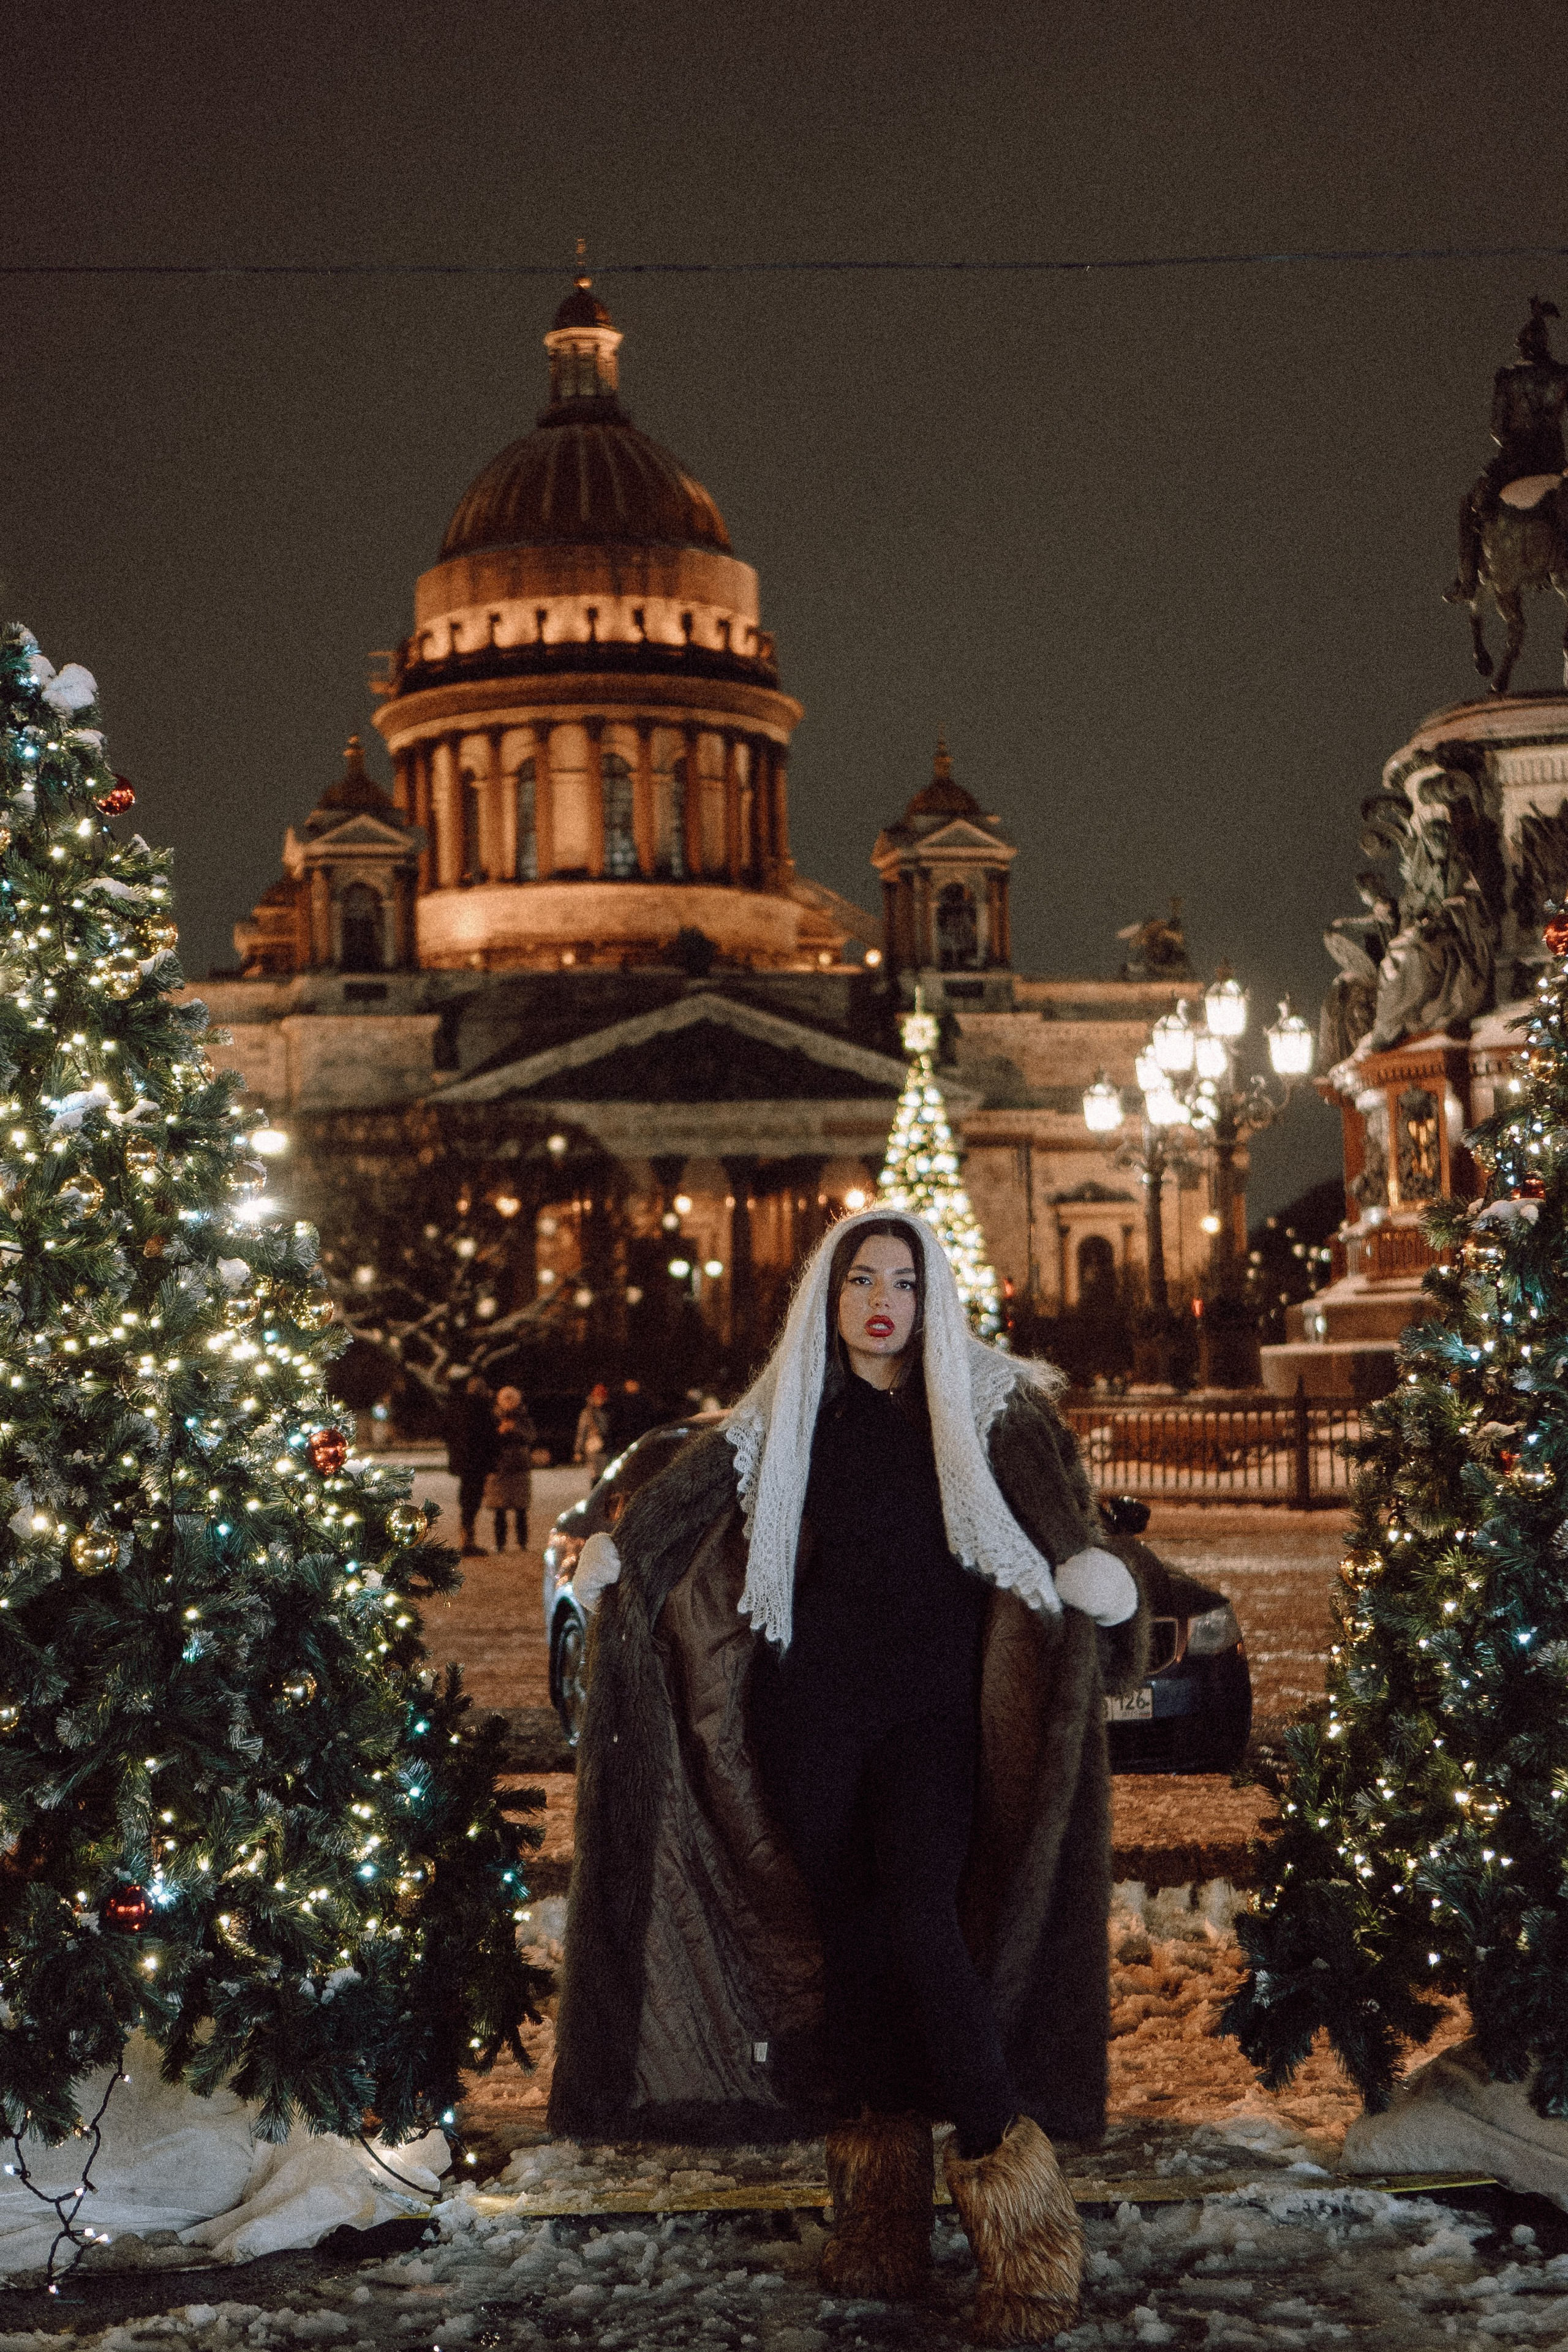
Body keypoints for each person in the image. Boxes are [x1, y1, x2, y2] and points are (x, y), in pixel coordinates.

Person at [551, 1208, 1150, 2344]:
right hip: (807, 1712)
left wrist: (1104, 1583)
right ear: (826, 1297)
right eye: (860, 1279)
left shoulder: (991, 1408)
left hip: (934, 1721)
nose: (882, 1300)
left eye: (905, 1281)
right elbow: (682, 1506)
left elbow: (1068, 1529)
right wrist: (615, 1556)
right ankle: (879, 2216)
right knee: (853, 1946)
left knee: (924, 1923)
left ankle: (1022, 2218)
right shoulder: (789, 1409)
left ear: (935, 1300)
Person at [1448, 296, 1568, 603]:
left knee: (1470, 507)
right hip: (1555, 462)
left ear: (1523, 347)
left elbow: (1497, 429)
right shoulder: (1562, 376)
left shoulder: (1508, 377)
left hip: (1515, 463)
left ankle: (1466, 582)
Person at [443, 1371, 497, 1557]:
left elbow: (450, 1434)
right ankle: (468, 1541)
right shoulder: (481, 1408)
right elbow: (488, 1437)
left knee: (467, 1500)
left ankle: (466, 1539)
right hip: (476, 1463)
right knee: (472, 1501)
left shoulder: (459, 1408)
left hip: (465, 1463)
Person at [483, 1385, 537, 1554]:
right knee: (499, 1510)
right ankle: (500, 1543)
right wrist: (500, 1432)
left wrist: (516, 1430)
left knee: (521, 1509)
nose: (509, 1402)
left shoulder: (524, 1417)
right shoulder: (493, 1417)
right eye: (505, 1399)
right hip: (499, 1468)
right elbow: (487, 1439)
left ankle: (522, 1542)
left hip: (520, 1468)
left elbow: (532, 1436)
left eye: (511, 1399)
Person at [573, 1381, 610, 1477]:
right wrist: (578, 1451)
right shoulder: (587, 1413)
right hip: (592, 1452)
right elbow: (582, 1433)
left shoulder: (606, 1412)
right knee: (593, 1476)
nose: (600, 1401)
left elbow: (609, 1431)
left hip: (605, 1451)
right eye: (598, 1398)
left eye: (602, 1398)